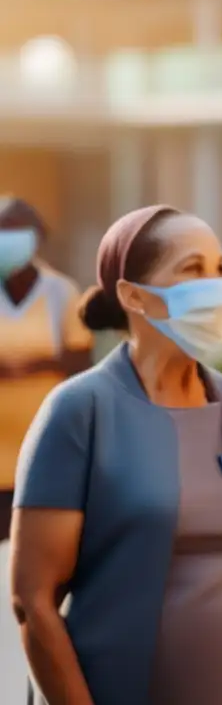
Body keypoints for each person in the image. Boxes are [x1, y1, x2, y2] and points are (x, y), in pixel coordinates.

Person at [9, 205, 222, 705]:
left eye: (220, 269)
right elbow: (33, 602)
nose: (215, 287)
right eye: (192, 269)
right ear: (132, 295)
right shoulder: (80, 411)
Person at [0, 196, 93, 544]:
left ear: (38, 236)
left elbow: (80, 360)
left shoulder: (60, 291)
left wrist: (30, 366)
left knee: (37, 550)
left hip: (44, 449)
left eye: (15, 229)